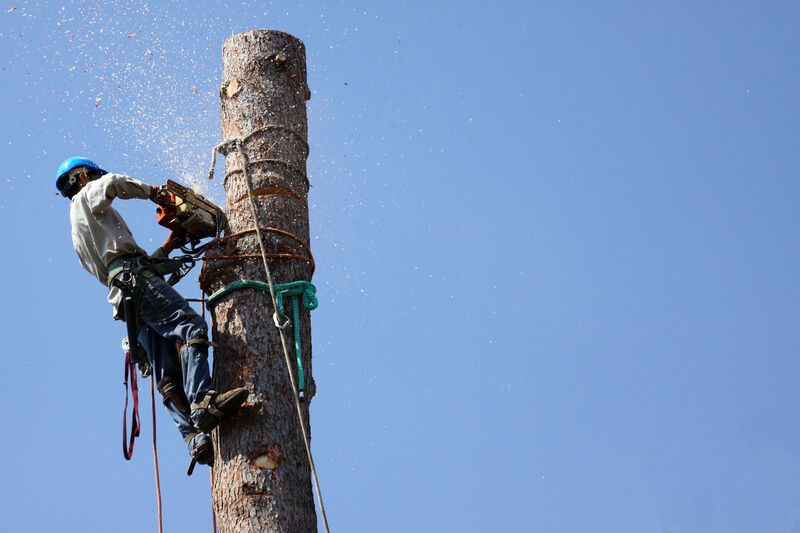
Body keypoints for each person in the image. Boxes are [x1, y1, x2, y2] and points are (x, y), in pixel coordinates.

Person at [56, 156, 248, 471]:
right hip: (136, 284)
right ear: (79, 178)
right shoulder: (85, 197)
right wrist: (156, 193)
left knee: (167, 373)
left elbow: (128, 264)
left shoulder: (81, 232)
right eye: (91, 175)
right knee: (192, 328)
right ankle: (202, 402)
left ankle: (194, 438)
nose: (94, 179)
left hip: (128, 301)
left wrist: (170, 245)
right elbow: (114, 183)